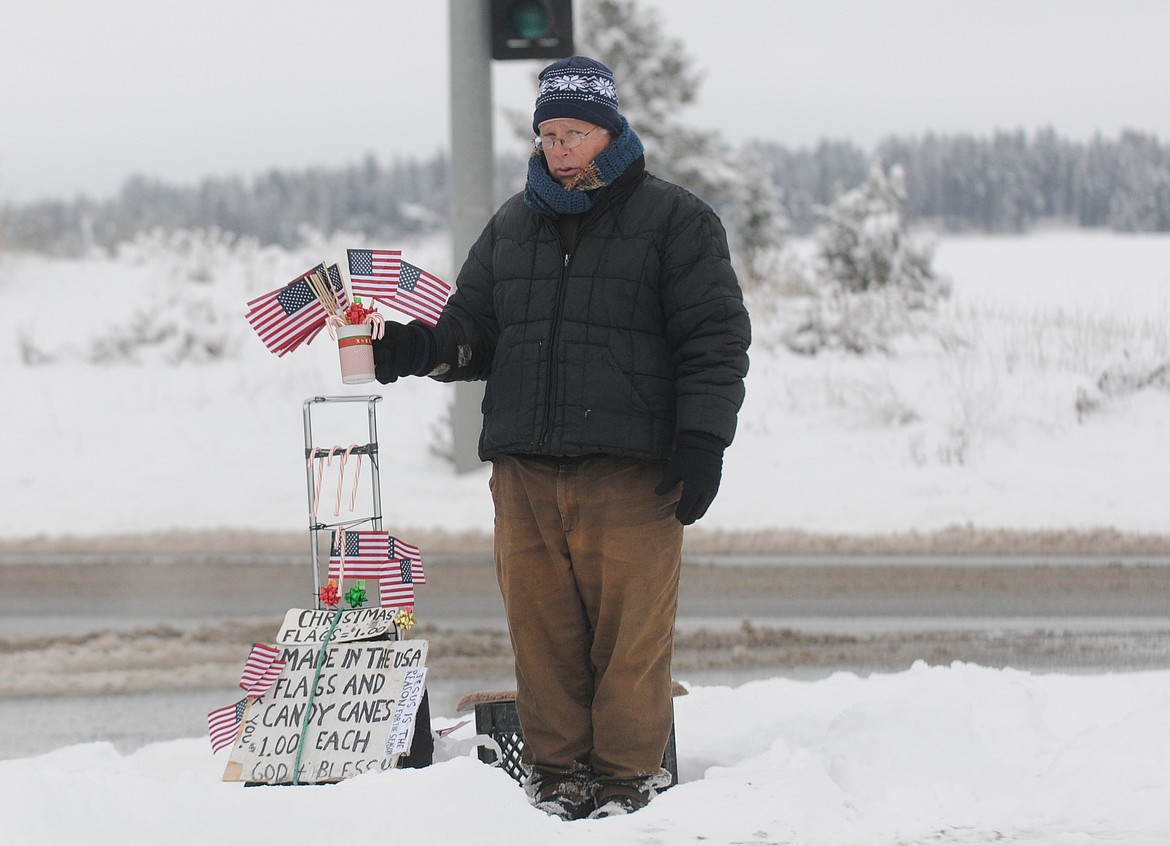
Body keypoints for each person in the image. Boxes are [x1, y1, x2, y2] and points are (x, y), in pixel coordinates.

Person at [372, 56, 751, 820]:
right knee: (541, 640)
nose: (558, 148)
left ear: (610, 132)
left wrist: (703, 440)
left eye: (572, 132)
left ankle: (625, 779)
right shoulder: (514, 226)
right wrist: (416, 350)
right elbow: (471, 331)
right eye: (547, 134)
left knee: (629, 643)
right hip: (526, 471)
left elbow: (714, 340)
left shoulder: (676, 222)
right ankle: (556, 776)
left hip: (633, 471)